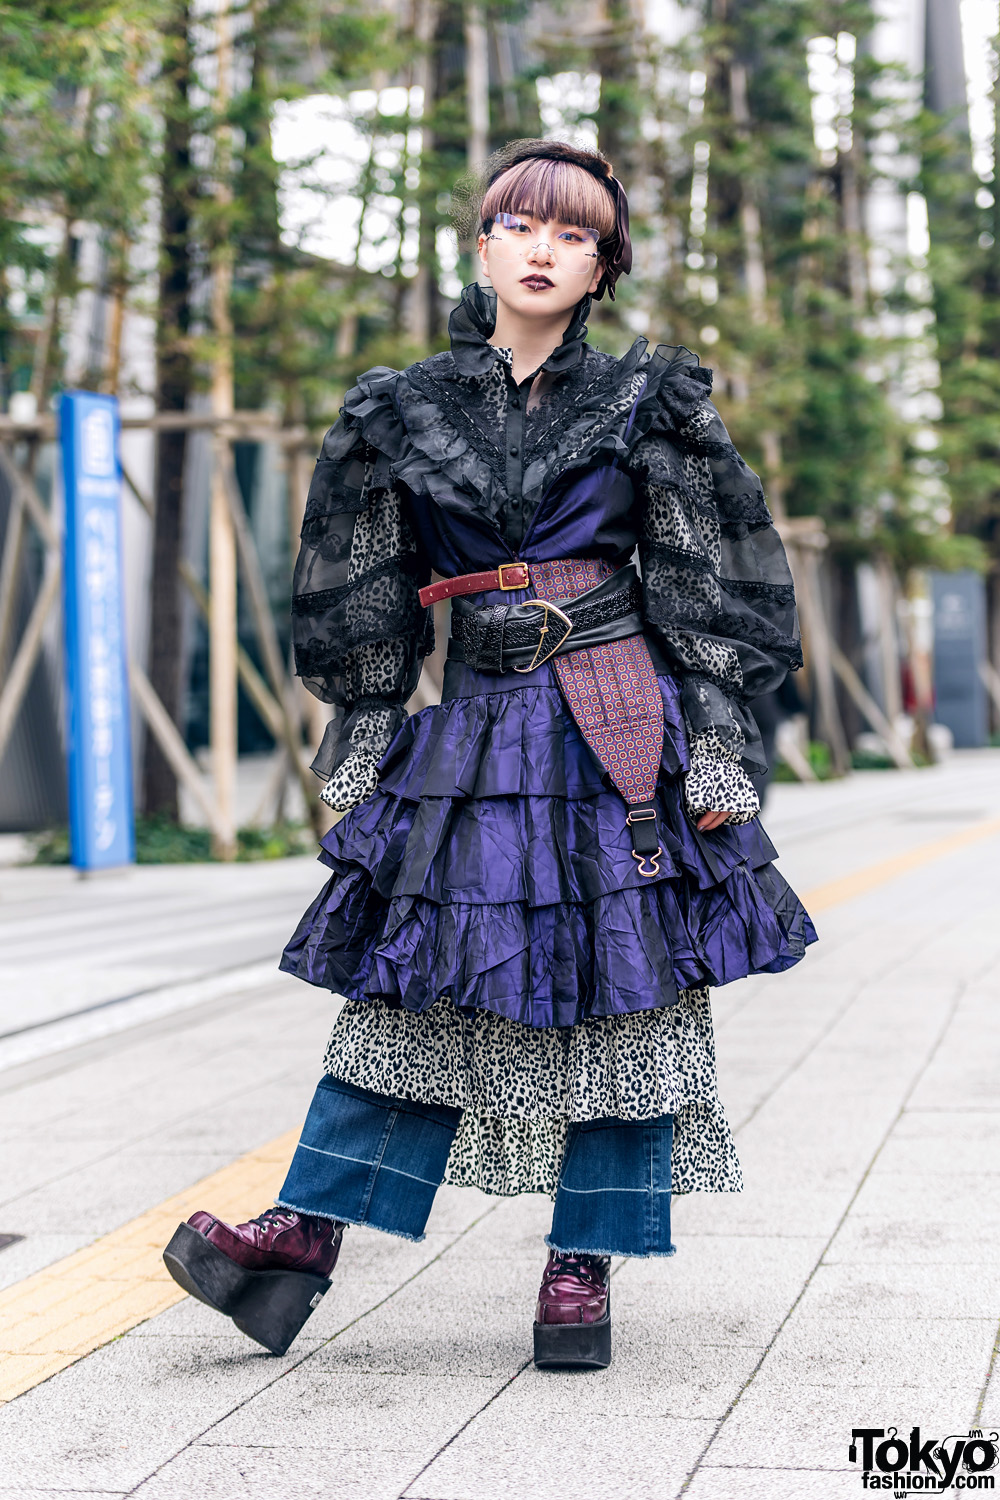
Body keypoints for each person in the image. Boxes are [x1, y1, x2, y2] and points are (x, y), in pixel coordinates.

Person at [164, 139, 816, 1370]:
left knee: (628, 987)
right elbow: (362, 576)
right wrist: (363, 716)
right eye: (520, 223)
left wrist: (720, 734)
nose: (541, 248)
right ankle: (300, 1235)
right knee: (410, 976)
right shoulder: (400, 408)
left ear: (601, 268)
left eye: (573, 235)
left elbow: (706, 570)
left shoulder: (645, 399)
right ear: (480, 241)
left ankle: (583, 1269)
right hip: (469, 724)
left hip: (614, 715)